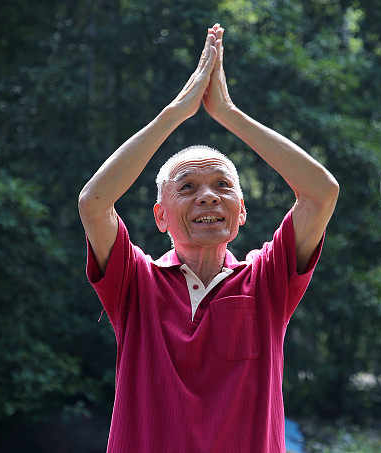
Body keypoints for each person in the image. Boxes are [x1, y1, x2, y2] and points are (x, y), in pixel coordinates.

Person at [78, 23, 339, 452]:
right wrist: (178, 110)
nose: (207, 197)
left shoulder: (266, 280)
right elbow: (93, 201)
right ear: (160, 217)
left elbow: (322, 193)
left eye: (223, 185)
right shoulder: (136, 282)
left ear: (241, 212)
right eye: (187, 187)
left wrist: (228, 113)